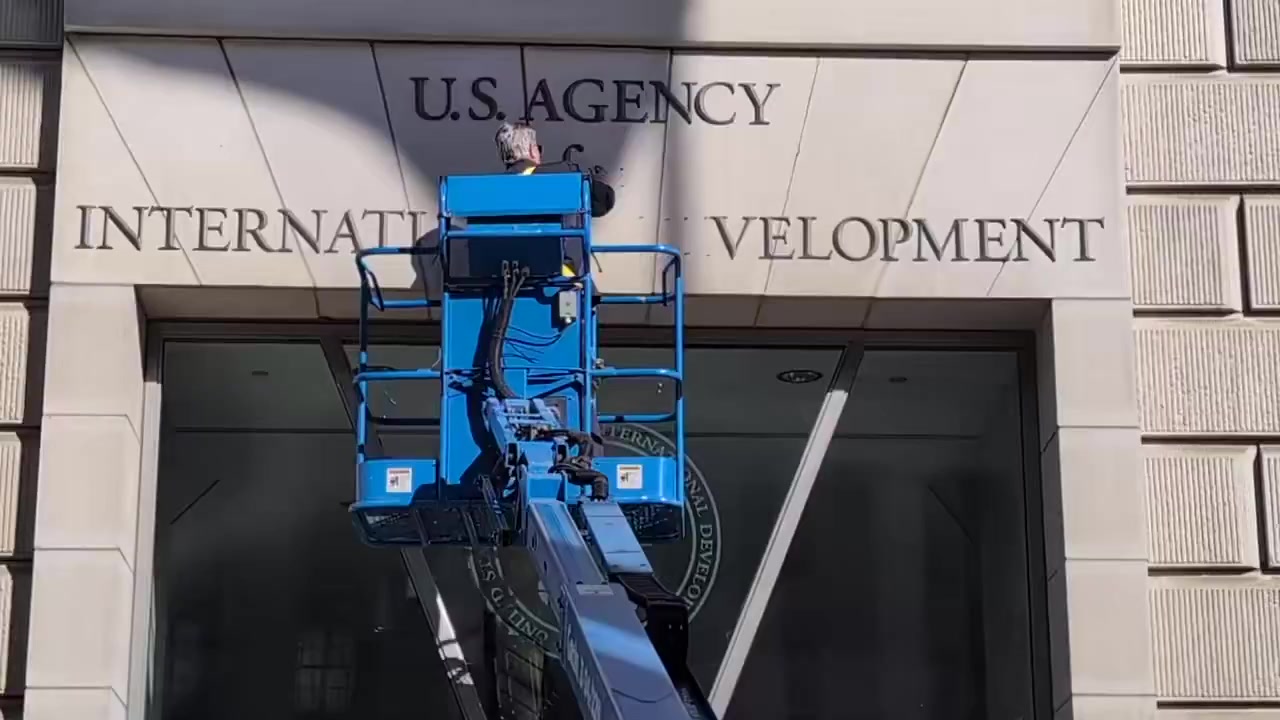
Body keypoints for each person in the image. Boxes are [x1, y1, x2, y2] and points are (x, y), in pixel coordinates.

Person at [493, 120, 615, 278]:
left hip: (500, 275)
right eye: (538, 148)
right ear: (532, 150)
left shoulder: (487, 188)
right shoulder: (566, 175)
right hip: (558, 277)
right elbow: (604, 201)